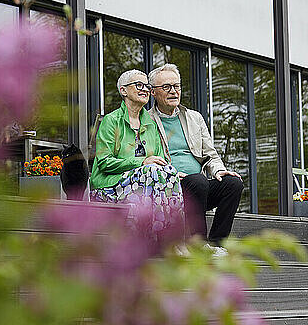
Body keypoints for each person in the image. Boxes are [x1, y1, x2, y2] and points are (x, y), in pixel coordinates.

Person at [148, 64, 243, 252]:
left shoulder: (194, 117)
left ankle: (217, 245)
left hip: (199, 188)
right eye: (167, 87)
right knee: (198, 180)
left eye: (177, 86)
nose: (174, 91)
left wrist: (218, 170)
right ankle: (197, 243)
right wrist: (170, 174)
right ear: (153, 92)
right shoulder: (146, 120)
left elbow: (210, 153)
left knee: (233, 183)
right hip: (171, 189)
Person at [90, 69, 184, 243]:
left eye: (147, 86)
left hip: (145, 182)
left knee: (169, 172)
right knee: (149, 172)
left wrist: (170, 173)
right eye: (139, 85)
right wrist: (142, 163)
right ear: (123, 90)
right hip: (109, 186)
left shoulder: (150, 124)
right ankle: (149, 240)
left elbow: (161, 159)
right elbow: (104, 162)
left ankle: (175, 241)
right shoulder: (111, 121)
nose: (145, 90)